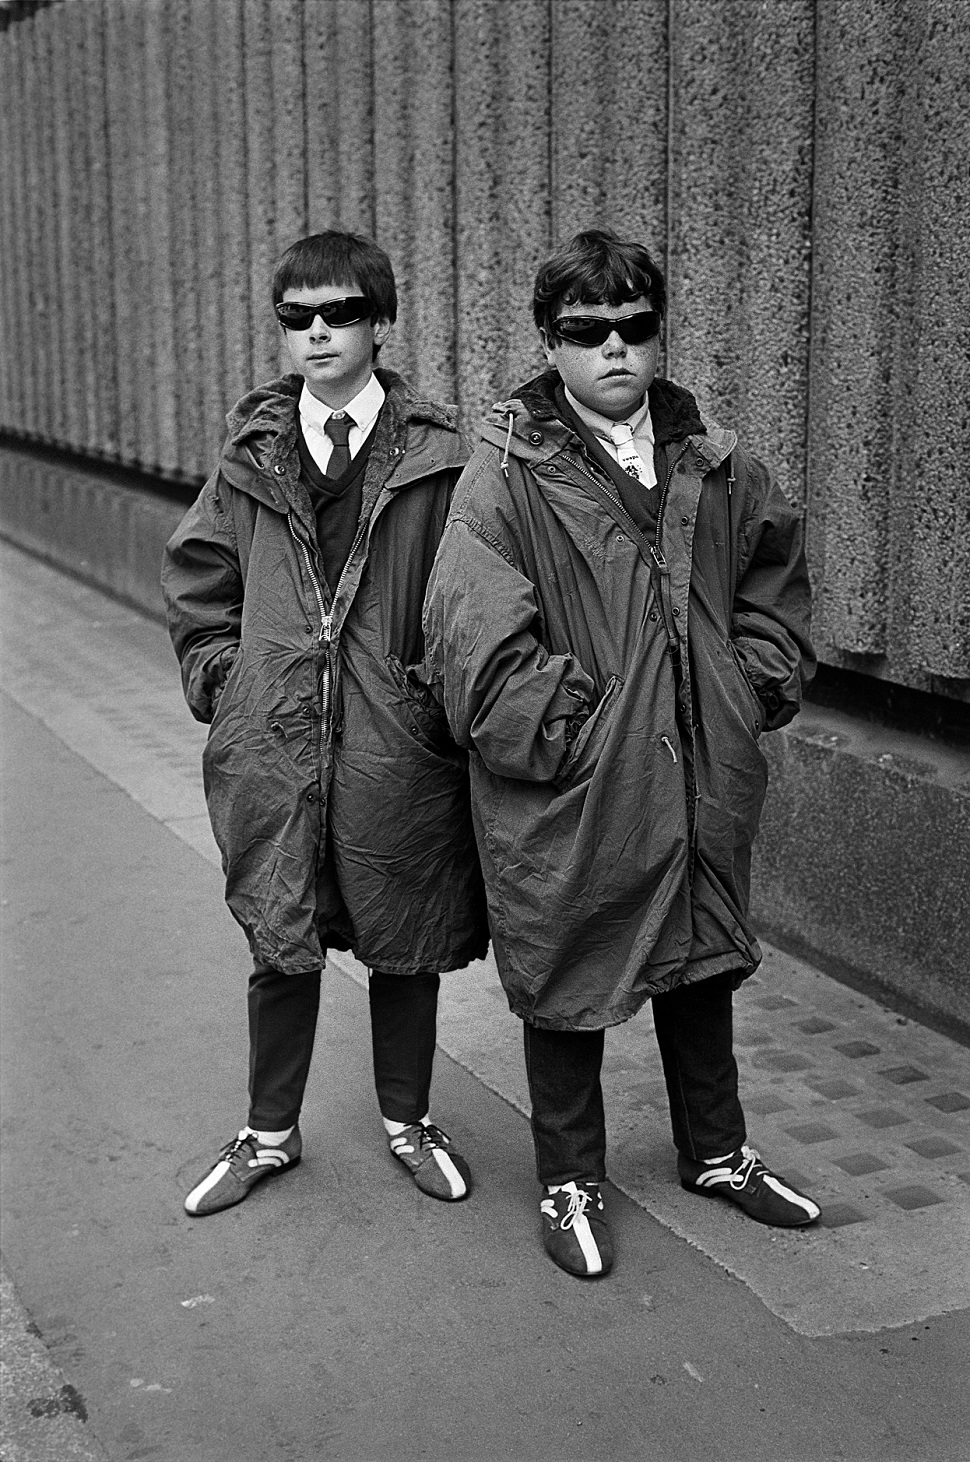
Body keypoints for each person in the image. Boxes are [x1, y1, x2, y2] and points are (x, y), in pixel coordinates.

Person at [423, 227, 820, 1278]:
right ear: (548, 342)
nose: (613, 350)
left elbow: (773, 587)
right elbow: (471, 645)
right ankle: (568, 1176)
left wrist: (747, 684)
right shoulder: (503, 478)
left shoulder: (719, 464)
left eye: (633, 328)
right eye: (584, 331)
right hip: (576, 782)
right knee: (566, 964)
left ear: (656, 334)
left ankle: (718, 1152)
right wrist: (569, 732)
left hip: (699, 765)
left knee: (704, 956)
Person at [162, 230, 488, 1217]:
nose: (316, 335)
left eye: (339, 313)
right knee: (279, 927)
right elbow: (198, 572)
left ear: (379, 323)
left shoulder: (439, 451)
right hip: (277, 735)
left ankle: (407, 1119)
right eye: (296, 317)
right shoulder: (252, 449)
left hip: (400, 743)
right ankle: (269, 1132)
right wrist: (227, 678)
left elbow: (471, 591)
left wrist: (433, 702)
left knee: (408, 931)